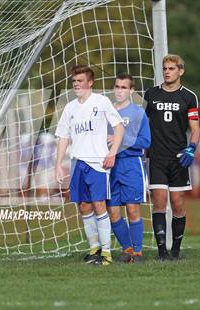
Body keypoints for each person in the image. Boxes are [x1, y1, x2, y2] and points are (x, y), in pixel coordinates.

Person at [55, 65, 124, 266]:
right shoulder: (70, 107)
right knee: (83, 206)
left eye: (80, 81)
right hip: (78, 162)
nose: (76, 84)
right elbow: (63, 136)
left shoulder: (101, 102)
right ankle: (94, 249)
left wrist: (112, 153)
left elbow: (119, 127)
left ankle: (107, 253)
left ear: (90, 82)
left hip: (98, 163)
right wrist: (58, 164)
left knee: (99, 204)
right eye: (74, 81)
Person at [145, 54, 200, 260]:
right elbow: (141, 123)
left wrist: (191, 148)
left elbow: (195, 129)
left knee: (177, 203)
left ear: (180, 71)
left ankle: (175, 250)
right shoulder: (151, 94)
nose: (167, 71)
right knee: (158, 201)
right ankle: (162, 252)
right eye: (165, 68)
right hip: (157, 157)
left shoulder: (189, 97)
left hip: (179, 158)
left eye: (171, 68)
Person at [106, 73, 151, 263]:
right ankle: (127, 249)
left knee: (132, 210)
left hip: (131, 165)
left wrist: (119, 139)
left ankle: (138, 252)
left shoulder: (138, 112)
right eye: (117, 86)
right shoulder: (106, 112)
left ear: (131, 91)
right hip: (109, 166)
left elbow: (146, 141)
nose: (119, 90)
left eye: (124, 87)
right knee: (113, 212)